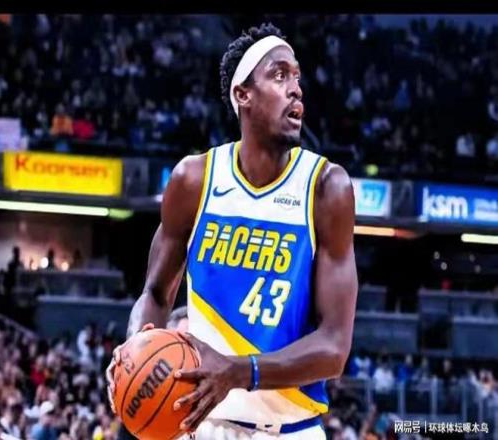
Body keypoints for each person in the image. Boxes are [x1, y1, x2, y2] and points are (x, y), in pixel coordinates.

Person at [106, 23, 357, 439]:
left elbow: (334, 348)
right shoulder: (194, 180)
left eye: (297, 77)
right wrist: (134, 351)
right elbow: (155, 294)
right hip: (204, 425)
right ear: (243, 95)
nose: (296, 89)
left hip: (290, 430)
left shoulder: (326, 188)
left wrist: (240, 372)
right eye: (279, 75)